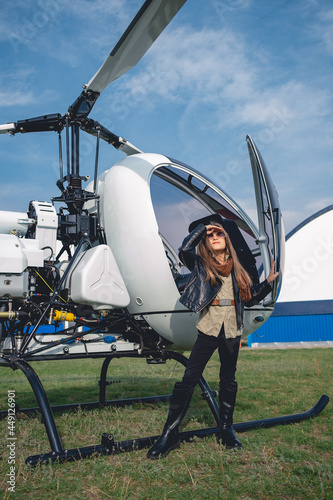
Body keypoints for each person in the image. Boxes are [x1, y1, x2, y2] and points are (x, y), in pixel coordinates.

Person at [147, 214, 279, 460]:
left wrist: (268, 283)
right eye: (211, 235)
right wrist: (203, 227)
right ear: (205, 242)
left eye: (219, 233)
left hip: (232, 330)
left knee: (228, 378)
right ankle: (170, 434)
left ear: (227, 240)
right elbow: (184, 249)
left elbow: (249, 298)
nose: (215, 237)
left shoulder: (237, 268)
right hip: (208, 328)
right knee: (189, 378)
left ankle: (226, 429)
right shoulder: (200, 265)